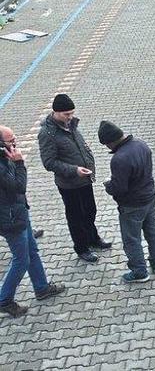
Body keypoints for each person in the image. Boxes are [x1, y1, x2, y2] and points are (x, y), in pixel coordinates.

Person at [0, 126, 65, 318]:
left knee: (32, 250)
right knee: (21, 260)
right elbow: (18, 186)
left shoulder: (5, 157)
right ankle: (4, 300)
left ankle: (42, 287)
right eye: (10, 141)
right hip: (10, 219)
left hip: (19, 212)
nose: (15, 143)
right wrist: (19, 163)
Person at [37, 94, 111, 263]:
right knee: (76, 216)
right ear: (55, 112)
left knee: (90, 210)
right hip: (69, 183)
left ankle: (93, 239)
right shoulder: (47, 134)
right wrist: (74, 170)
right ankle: (82, 247)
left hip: (84, 179)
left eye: (71, 113)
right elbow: (49, 162)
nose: (70, 117)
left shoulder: (71, 125)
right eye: (66, 114)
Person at [98, 121, 155, 283]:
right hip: (149, 196)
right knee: (152, 230)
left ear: (111, 141)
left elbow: (119, 188)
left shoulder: (119, 159)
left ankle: (139, 272)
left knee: (131, 239)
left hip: (132, 205)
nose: (107, 147)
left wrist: (108, 185)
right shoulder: (141, 144)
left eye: (106, 144)